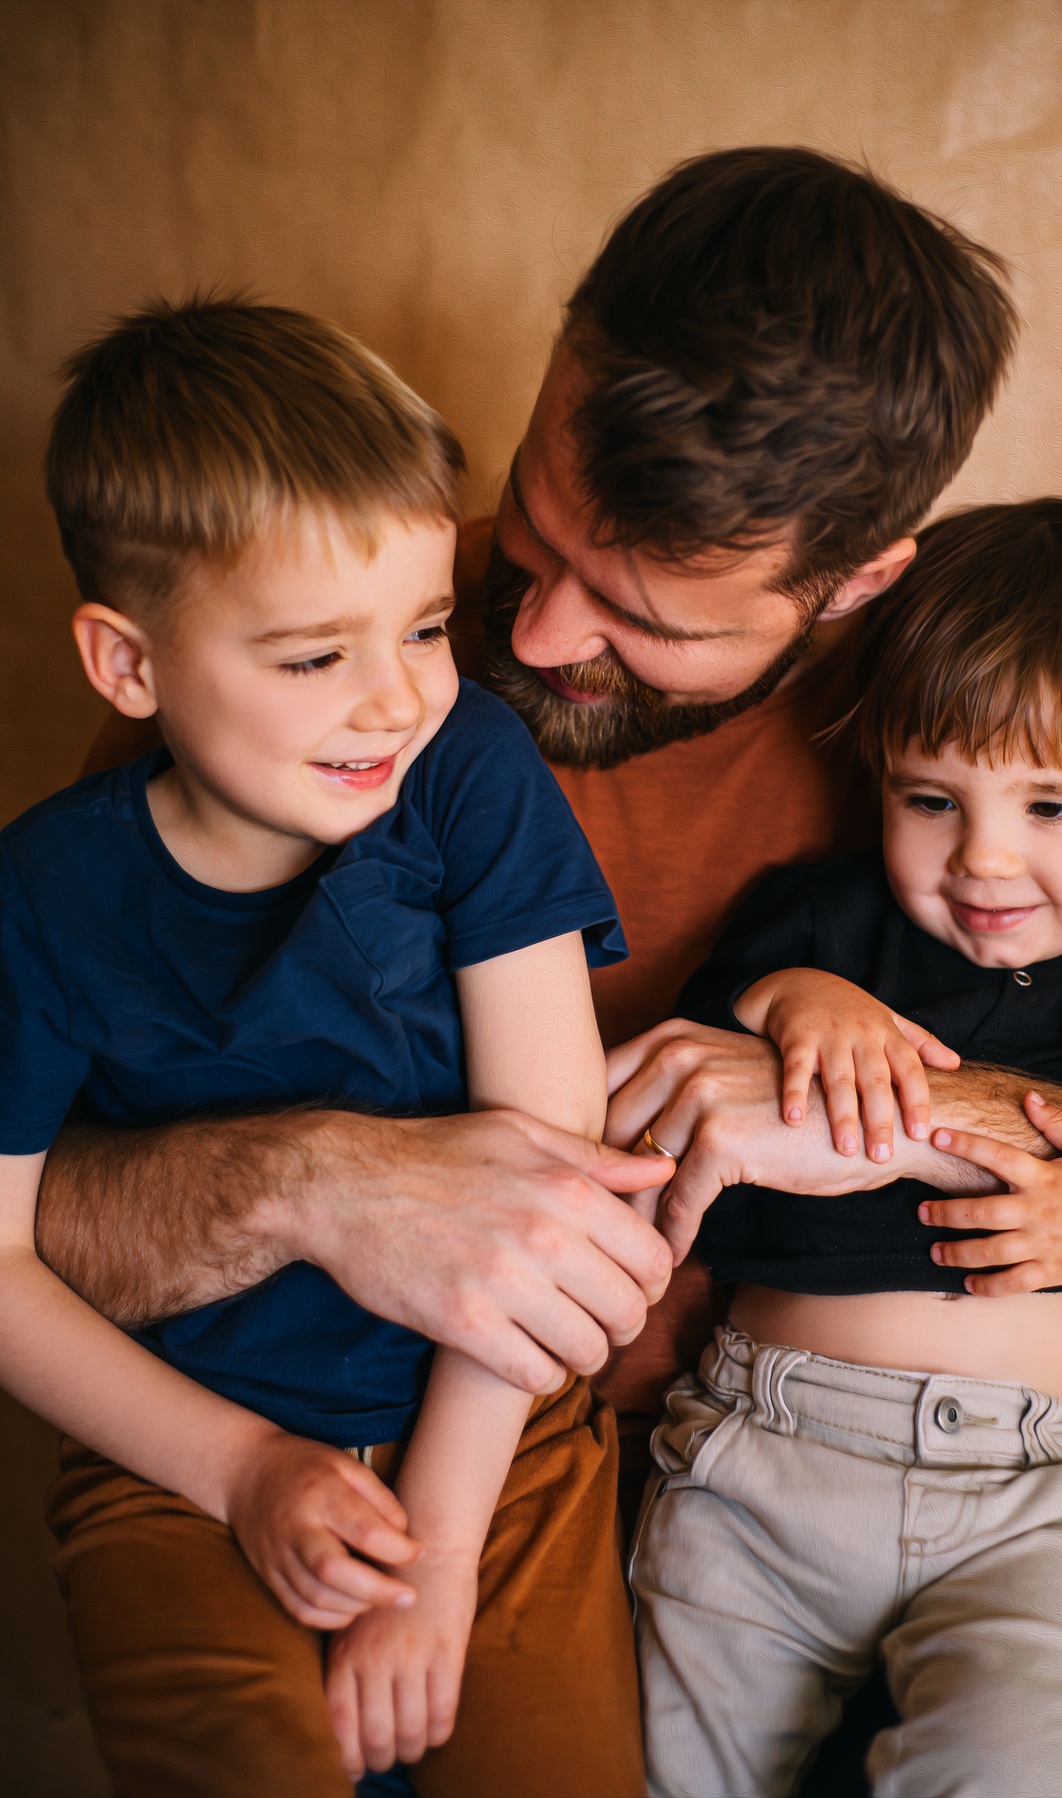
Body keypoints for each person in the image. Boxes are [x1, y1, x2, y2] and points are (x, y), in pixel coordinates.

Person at [34, 149, 1062, 1793]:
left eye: (644, 609)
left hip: (988, 1525)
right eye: (537, 525)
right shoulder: (309, 651)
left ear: (857, 583)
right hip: (436, 1478)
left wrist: (872, 1100)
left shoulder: (1007, 747)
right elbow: (45, 1209)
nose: (544, 632)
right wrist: (308, 1182)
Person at [6, 297, 671, 1797]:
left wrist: (435, 1553)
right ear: (127, 665)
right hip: (174, 1461)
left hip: (496, 1447)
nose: (398, 696)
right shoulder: (39, 897)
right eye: (316, 656)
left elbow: (549, 1187)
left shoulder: (468, 773)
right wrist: (240, 1470)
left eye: (428, 625)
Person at [626, 498, 1062, 1796]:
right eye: (931, 796)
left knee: (1026, 1763)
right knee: (675, 1771)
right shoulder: (827, 925)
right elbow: (696, 1059)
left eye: (1051, 804)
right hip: (761, 1468)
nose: (984, 856)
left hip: (1029, 1497)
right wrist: (790, 1002)